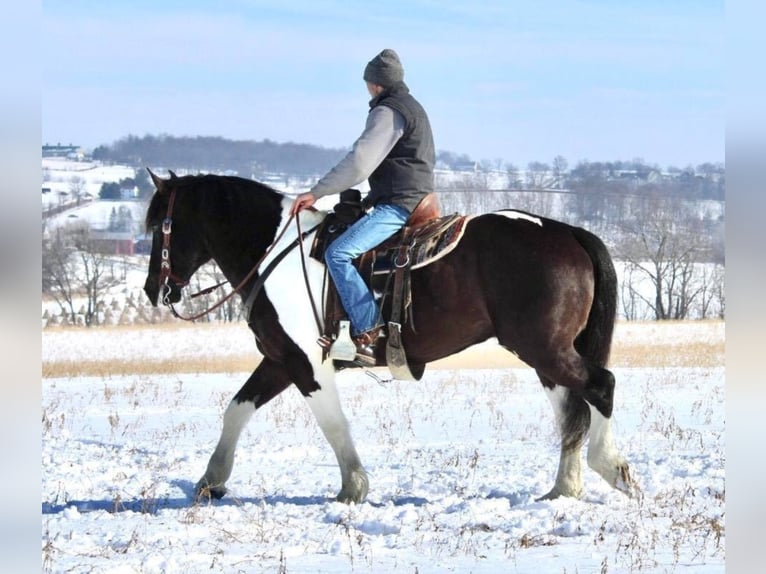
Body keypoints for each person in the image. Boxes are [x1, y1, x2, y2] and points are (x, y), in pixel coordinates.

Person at [291, 48, 435, 364]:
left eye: (368, 82)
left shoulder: (388, 111)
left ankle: (368, 329)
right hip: (408, 197)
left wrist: (316, 193)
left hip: (400, 205)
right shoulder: (412, 107)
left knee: (338, 253)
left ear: (375, 83)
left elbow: (359, 162)